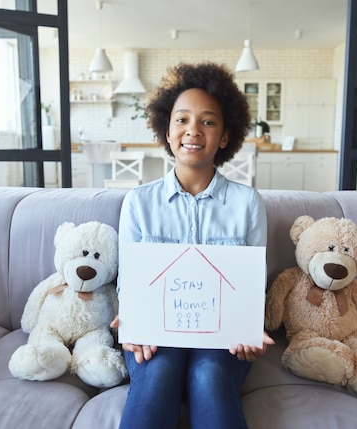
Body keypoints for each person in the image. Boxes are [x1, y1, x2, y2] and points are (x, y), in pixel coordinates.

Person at [110, 61, 274, 429]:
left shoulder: (248, 203)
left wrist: (249, 329)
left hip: (222, 340)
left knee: (208, 376)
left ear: (225, 136)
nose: (193, 130)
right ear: (166, 132)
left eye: (208, 121)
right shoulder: (138, 202)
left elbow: (252, 288)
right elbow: (130, 284)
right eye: (182, 120)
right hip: (156, 335)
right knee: (158, 373)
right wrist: (132, 326)